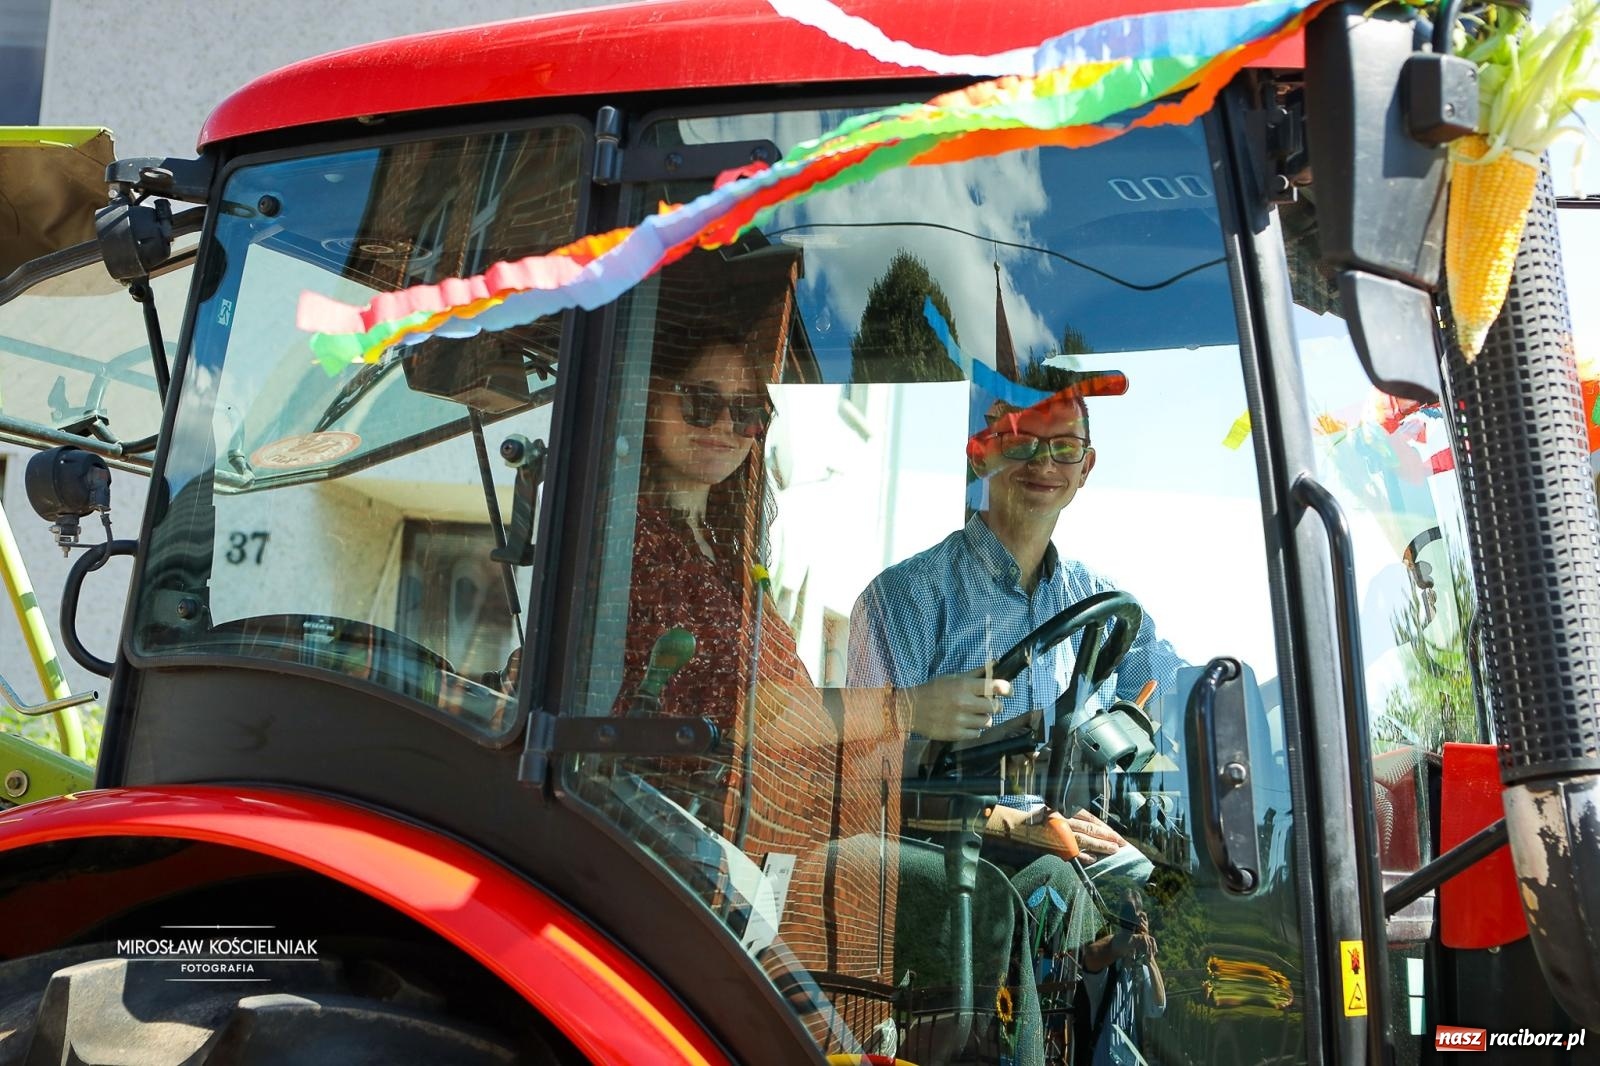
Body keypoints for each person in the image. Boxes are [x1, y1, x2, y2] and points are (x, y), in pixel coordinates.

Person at [846, 387, 1183, 849]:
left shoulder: (1101, 602)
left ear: (1085, 467)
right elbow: (865, 783)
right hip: (957, 875)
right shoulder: (902, 599)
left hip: (1088, 866)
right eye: (1020, 443)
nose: (1043, 465)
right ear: (981, 456)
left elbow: (1178, 696)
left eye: (1064, 448)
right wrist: (1019, 827)